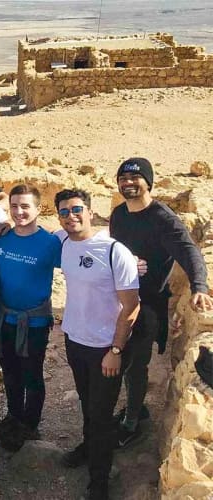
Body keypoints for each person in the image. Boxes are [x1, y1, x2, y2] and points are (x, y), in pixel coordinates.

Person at [108, 157, 213, 447]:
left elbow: (188, 251)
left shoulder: (162, 218)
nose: (128, 183)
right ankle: (132, 407)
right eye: (123, 178)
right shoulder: (119, 214)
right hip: (120, 298)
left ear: (148, 182)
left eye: (135, 178)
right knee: (118, 357)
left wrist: (199, 286)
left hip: (148, 304)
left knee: (135, 364)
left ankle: (132, 421)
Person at [55, 189, 139, 500]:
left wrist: (116, 350)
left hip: (106, 348)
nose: (71, 216)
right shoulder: (63, 242)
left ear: (91, 212)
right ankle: (90, 448)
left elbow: (131, 306)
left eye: (77, 209)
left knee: (101, 414)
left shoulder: (115, 251)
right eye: (64, 212)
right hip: (74, 340)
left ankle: (99, 480)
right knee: (87, 402)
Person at [0, 185, 61, 451]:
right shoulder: (2, 237)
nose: (19, 212)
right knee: (10, 372)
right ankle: (13, 416)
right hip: (5, 318)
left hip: (34, 322)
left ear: (38, 209)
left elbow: (79, 260)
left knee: (31, 373)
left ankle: (29, 425)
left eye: (25, 206)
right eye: (14, 206)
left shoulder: (50, 243)